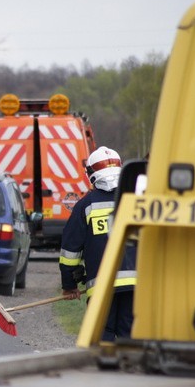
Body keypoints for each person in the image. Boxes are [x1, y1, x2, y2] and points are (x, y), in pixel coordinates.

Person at [59, 146, 136, 341]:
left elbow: (70, 252)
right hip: (136, 285)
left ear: (91, 174)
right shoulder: (136, 201)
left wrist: (69, 285)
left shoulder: (86, 206)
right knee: (131, 336)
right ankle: (131, 370)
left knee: (103, 336)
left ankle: (106, 371)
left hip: (102, 286)